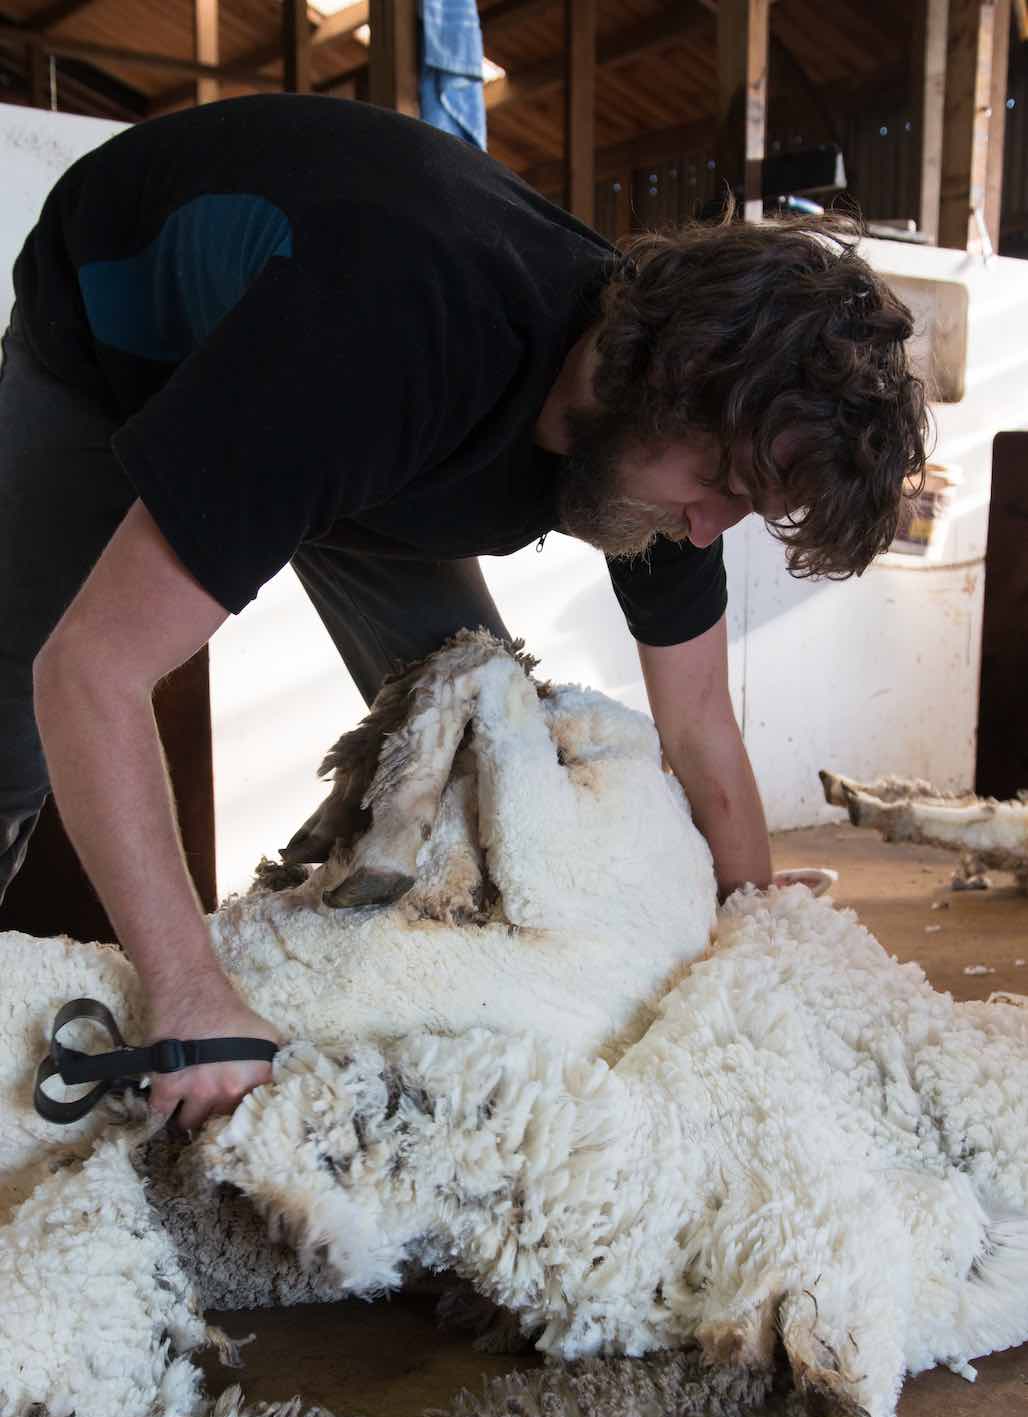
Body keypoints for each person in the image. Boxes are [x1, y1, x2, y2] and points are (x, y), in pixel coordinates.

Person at [0, 94, 927, 1129]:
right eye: (716, 485)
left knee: (487, 747)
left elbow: (700, 717)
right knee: (17, 700)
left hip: (351, 416)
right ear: (659, 380)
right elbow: (91, 673)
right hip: (111, 329)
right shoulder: (393, 331)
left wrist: (753, 926)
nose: (705, 529)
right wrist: (190, 992)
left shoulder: (666, 459)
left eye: (742, 510)